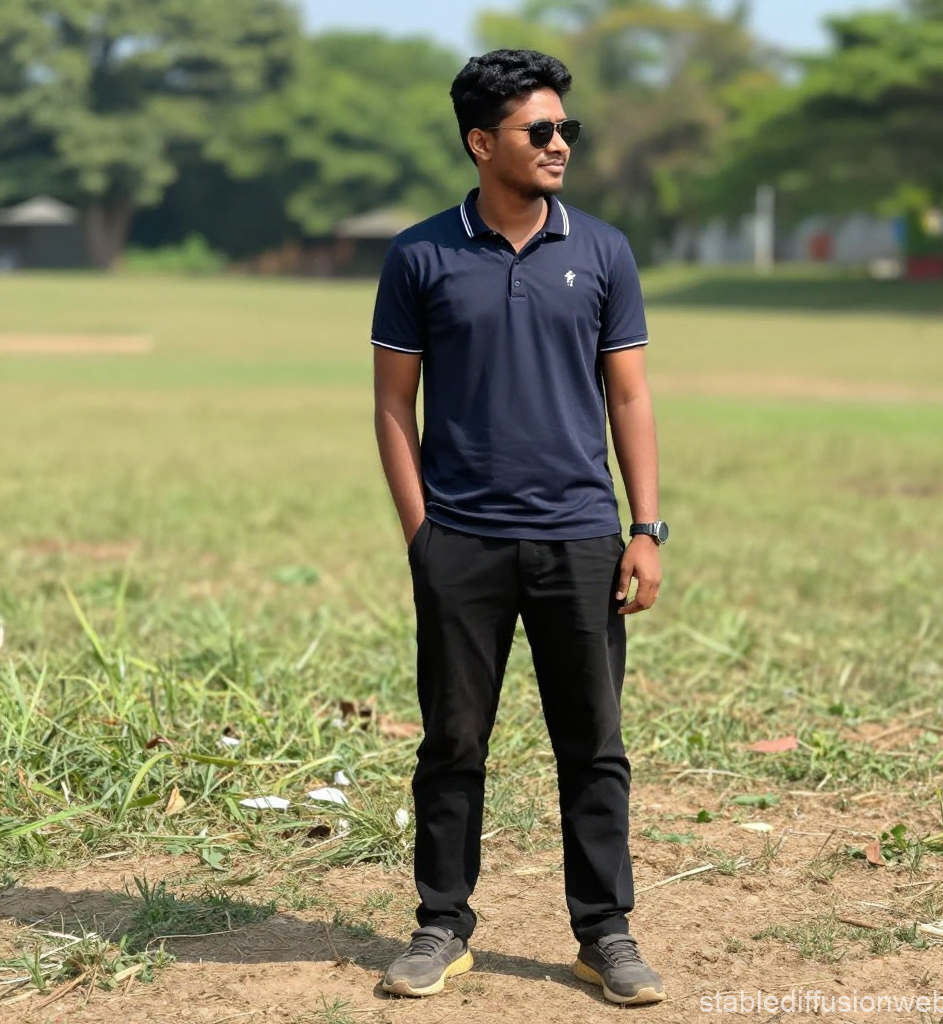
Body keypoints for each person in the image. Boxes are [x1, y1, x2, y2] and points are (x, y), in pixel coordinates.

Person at [371, 48, 668, 1007]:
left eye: (565, 130)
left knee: (594, 741)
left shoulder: (603, 250)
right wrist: (425, 536)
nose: (558, 145)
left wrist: (646, 527)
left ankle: (605, 933)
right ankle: (440, 924)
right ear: (480, 142)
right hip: (462, 539)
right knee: (454, 739)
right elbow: (392, 407)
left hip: (582, 535)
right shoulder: (421, 254)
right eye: (539, 131)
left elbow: (630, 397)